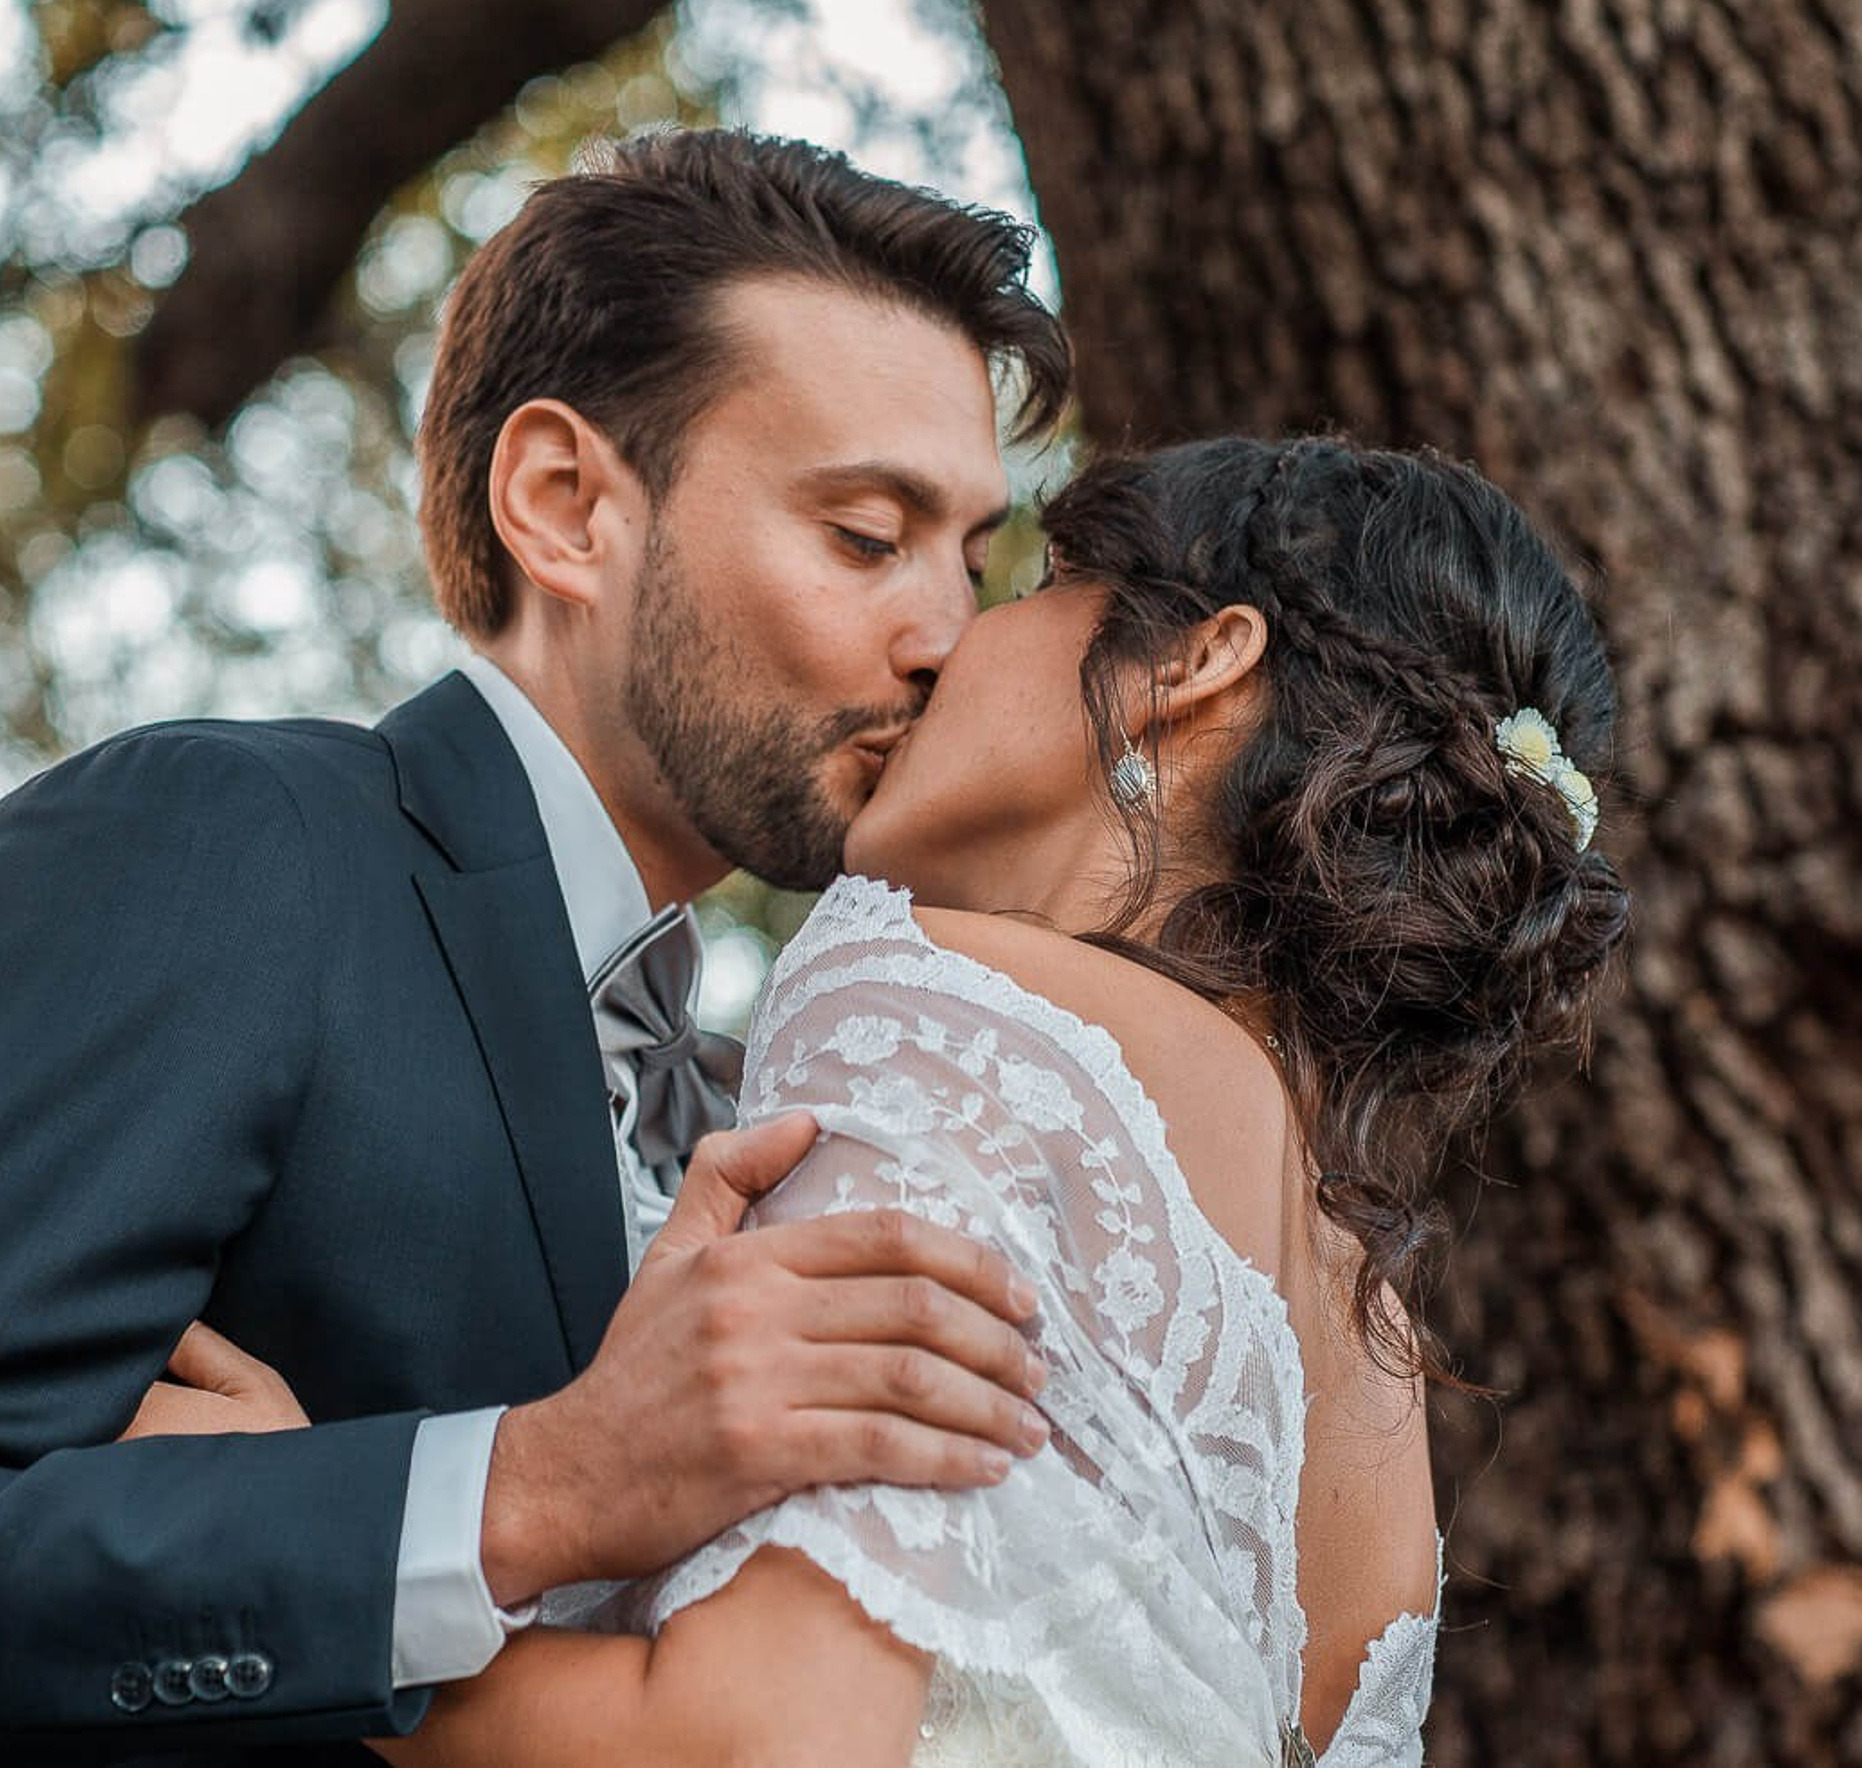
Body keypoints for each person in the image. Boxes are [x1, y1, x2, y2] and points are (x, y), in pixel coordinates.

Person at [165, 435, 1631, 1765]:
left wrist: (309, 1543)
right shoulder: (1373, 1356)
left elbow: (758, 1744)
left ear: (1191, 666)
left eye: (1033, 583)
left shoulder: (953, 1003)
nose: (935, 648)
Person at [0, 127, 1073, 1756]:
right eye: (868, 535)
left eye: (970, 560)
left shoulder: (764, 1098)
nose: (947, 638)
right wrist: (534, 1486)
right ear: (565, 507)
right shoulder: (235, 841)